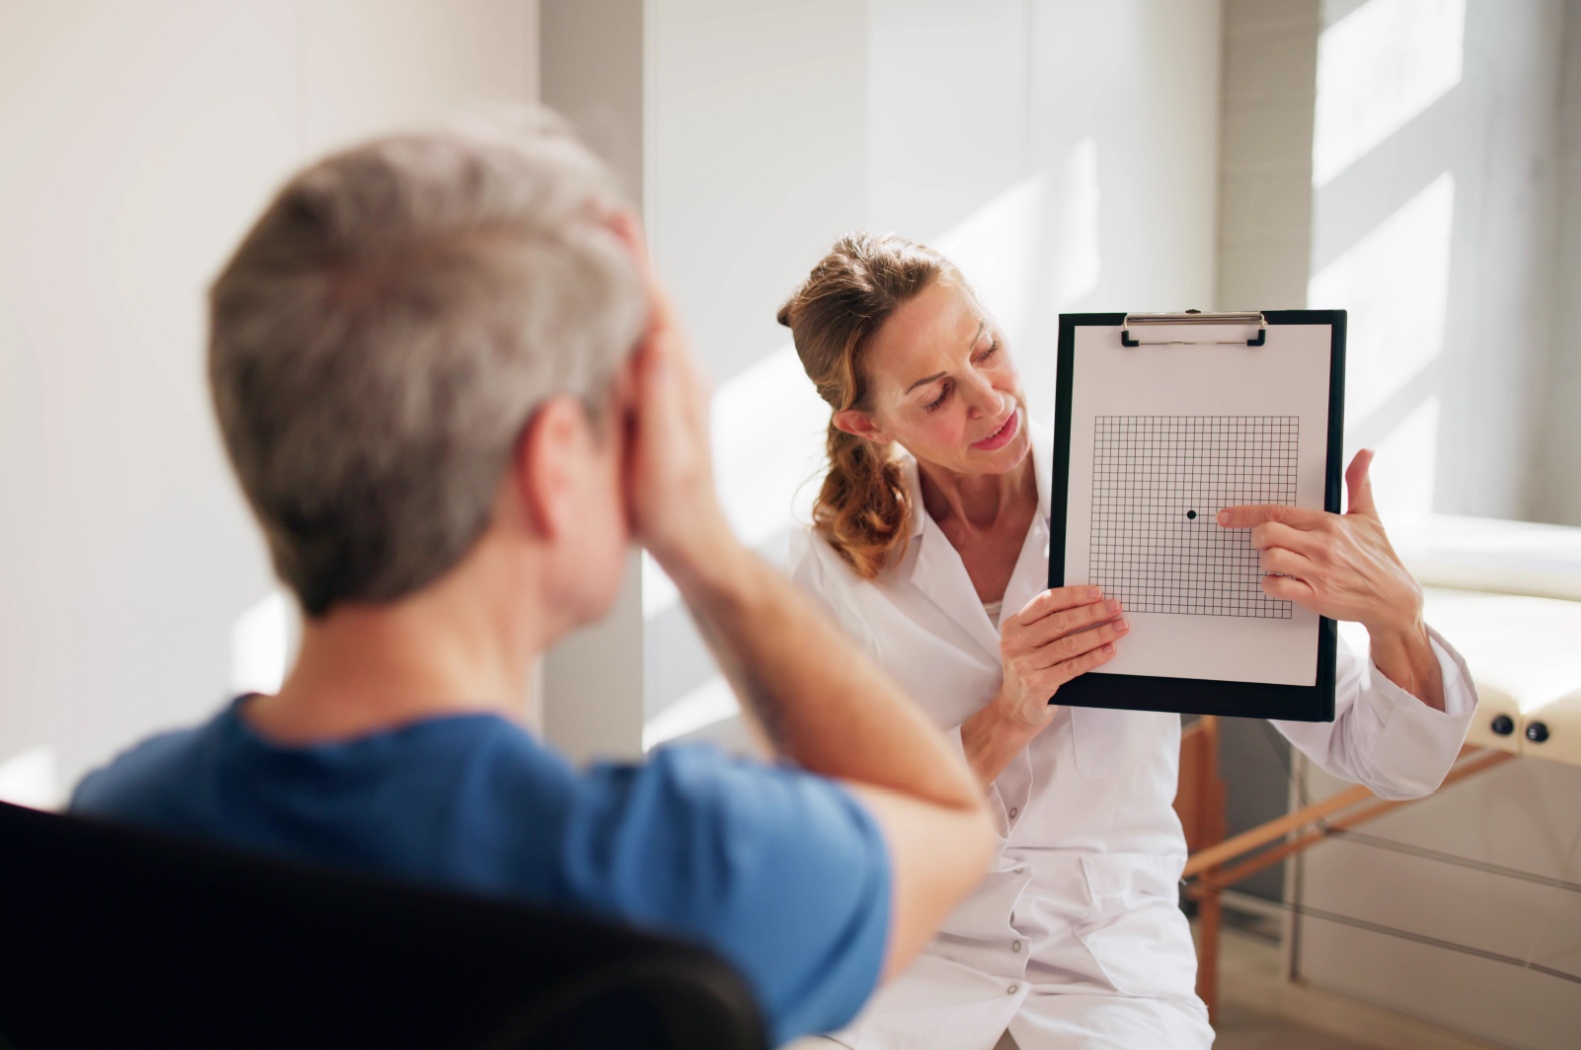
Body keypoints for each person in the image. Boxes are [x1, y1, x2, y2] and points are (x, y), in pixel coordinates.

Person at [69, 113, 996, 1048]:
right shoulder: (681, 877)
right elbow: (945, 823)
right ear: (555, 462)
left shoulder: (117, 825)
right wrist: (700, 538)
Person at [778, 233, 1480, 1050]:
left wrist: (1394, 616)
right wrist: (1002, 721)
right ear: (866, 421)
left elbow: (1390, 760)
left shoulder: (1161, 501)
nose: (991, 400)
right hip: (910, 961)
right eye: (935, 393)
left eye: (987, 349)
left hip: (1104, 966)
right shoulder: (830, 565)